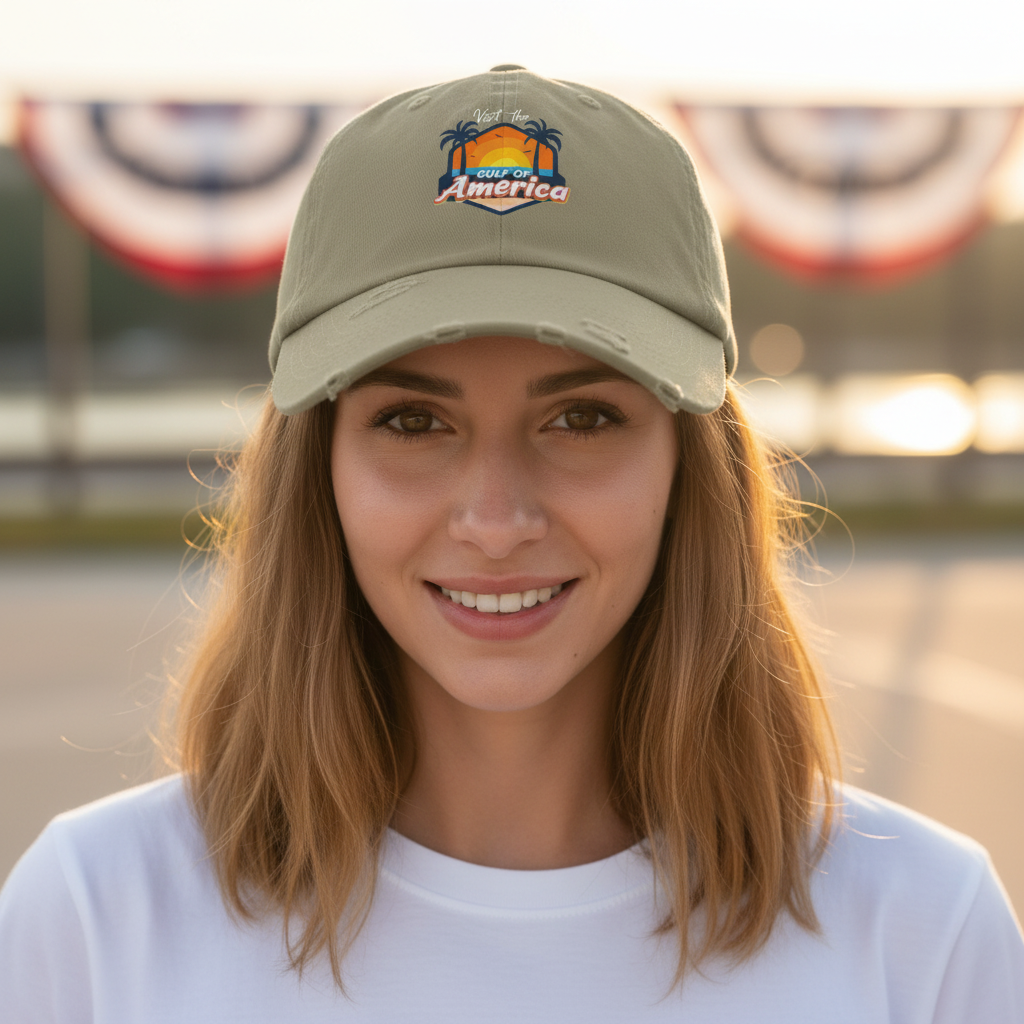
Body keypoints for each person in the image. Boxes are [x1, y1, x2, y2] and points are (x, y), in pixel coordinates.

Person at [1, 65, 1022, 1023]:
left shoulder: (922, 936)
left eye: (581, 419)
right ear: (318, 467)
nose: (495, 520)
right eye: (412, 422)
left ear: (691, 464)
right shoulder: (96, 921)